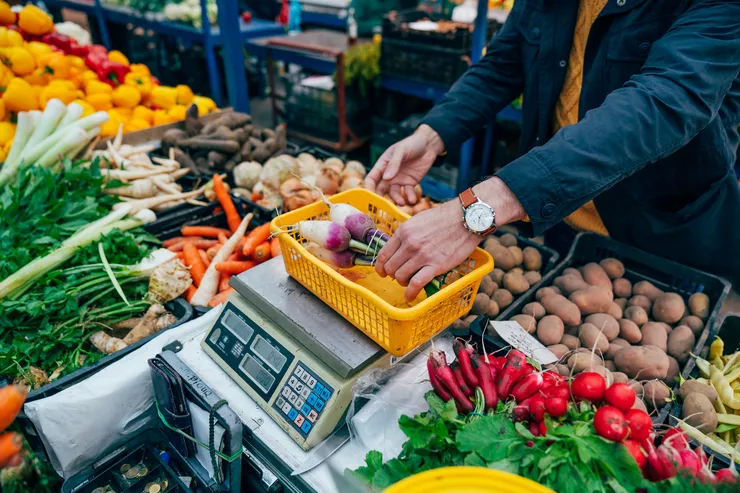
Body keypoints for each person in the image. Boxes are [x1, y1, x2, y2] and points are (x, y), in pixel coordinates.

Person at [366, 0, 740, 301]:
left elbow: (663, 103)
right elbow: (504, 61)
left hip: (662, 234)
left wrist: (482, 206)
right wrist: (433, 135)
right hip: (564, 217)